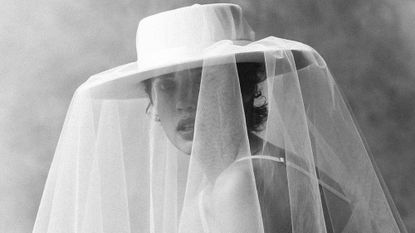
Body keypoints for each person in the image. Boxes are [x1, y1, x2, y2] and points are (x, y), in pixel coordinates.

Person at [33, 3, 407, 233]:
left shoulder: (241, 183)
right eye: (166, 87)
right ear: (152, 107)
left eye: (202, 84)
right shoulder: (250, 175)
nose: (184, 104)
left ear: (245, 89)